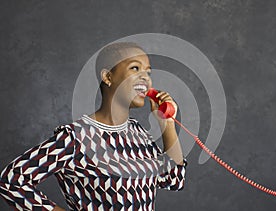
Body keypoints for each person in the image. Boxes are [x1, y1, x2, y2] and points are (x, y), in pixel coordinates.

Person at [0, 42, 187, 210]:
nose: (145, 78)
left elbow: (174, 180)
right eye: (135, 68)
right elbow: (11, 182)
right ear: (107, 77)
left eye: (148, 72)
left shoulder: (138, 133)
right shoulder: (76, 138)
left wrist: (167, 124)